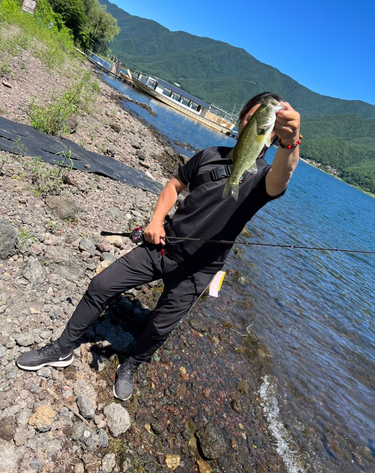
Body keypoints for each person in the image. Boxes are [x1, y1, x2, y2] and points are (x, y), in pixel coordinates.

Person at [16, 92, 300, 401]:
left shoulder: (262, 178)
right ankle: (62, 348)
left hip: (199, 271)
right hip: (163, 247)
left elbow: (281, 178)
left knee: (159, 328)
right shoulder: (208, 155)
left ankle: (132, 364)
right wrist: (155, 221)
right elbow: (174, 185)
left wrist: (291, 141)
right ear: (242, 121)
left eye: (266, 125)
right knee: (101, 285)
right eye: (250, 117)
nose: (254, 124)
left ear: (270, 136)